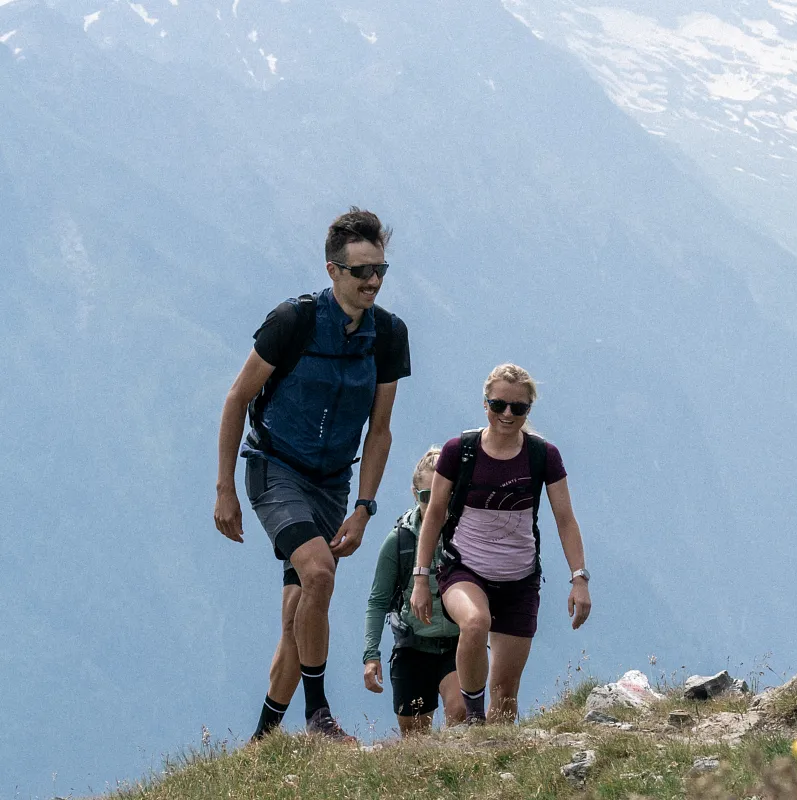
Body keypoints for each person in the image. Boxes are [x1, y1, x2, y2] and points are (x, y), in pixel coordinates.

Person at [214, 208, 411, 741]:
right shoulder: (292, 321)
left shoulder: (389, 335)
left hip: (332, 485)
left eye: (380, 271)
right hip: (274, 469)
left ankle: (262, 743)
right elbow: (237, 400)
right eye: (361, 272)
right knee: (319, 573)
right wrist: (225, 488)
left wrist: (365, 508)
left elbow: (380, 432)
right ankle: (318, 714)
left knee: (298, 613)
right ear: (332, 270)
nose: (373, 282)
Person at [411, 364, 592, 724]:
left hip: (520, 580)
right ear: (485, 404)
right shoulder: (459, 450)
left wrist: (579, 578)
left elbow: (565, 519)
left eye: (518, 408)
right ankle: (474, 719)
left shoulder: (543, 456)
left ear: (528, 410)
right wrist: (420, 579)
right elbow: (433, 515)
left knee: (506, 696)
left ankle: (495, 762)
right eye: (498, 405)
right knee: (475, 623)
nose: (507, 414)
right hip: (464, 569)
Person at [362, 448, 467, 735]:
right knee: (415, 738)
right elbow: (378, 600)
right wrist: (371, 655)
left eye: (445, 495)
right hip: (413, 646)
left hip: (458, 644)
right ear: (414, 493)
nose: (437, 505)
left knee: (459, 712)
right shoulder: (399, 541)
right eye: (426, 497)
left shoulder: (468, 534)